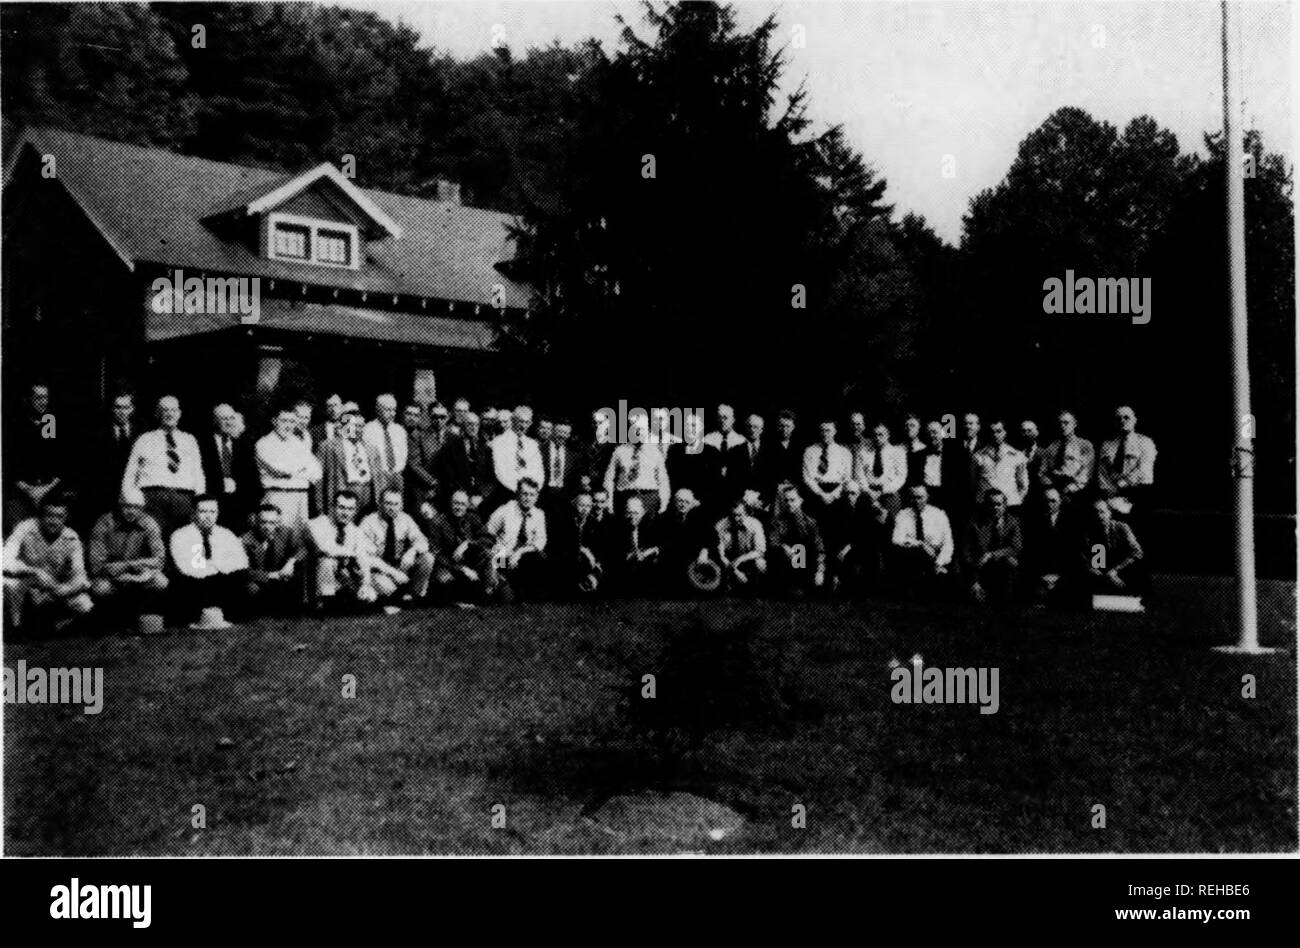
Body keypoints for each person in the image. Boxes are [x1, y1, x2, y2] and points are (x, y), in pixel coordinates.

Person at [3, 495, 93, 633]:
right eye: (49, 515)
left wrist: (64, 590)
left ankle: (52, 626)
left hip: (54, 588)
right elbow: (4, 561)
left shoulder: (71, 537)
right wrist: (33, 571)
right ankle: (16, 628)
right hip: (26, 586)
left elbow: (80, 575)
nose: (54, 521)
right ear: (40, 516)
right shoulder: (25, 528)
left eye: (59, 516)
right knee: (8, 582)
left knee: (85, 605)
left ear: (66, 517)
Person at [121, 395, 206, 538]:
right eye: (164, 410)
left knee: (182, 539)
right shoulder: (144, 439)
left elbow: (198, 472)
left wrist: (201, 501)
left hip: (184, 498)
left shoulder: (189, 440)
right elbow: (130, 472)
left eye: (173, 410)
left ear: (179, 414)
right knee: (154, 539)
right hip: (152, 498)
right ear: (157, 414)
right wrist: (129, 500)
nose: (169, 413)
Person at [87, 485, 168, 632]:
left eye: (136, 507)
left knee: (161, 581)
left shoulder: (149, 524)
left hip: (139, 575)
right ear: (119, 506)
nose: (131, 511)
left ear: (142, 508)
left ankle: (139, 617)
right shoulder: (104, 523)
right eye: (127, 506)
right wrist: (121, 571)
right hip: (111, 578)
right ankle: (111, 621)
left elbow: (160, 559)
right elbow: (96, 566)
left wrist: (128, 565)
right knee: (100, 589)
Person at [169, 495, 249, 626]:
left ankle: (224, 615)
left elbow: (241, 562)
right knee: (186, 581)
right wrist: (218, 565)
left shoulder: (226, 534)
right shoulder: (181, 535)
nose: (208, 516)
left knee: (239, 577)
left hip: (220, 581)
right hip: (195, 583)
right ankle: (196, 617)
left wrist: (212, 565)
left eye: (212, 512)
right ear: (194, 513)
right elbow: (187, 568)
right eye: (203, 511)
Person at [4, 383, 65, 533]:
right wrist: (29, 490)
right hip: (21, 492)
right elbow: (8, 464)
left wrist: (44, 490)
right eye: (38, 397)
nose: (43, 401)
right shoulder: (14, 425)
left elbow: (61, 463)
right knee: (18, 534)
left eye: (45, 397)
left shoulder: (50, 423)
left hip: (49, 491)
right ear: (27, 399)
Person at [257, 406, 323, 536]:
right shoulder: (263, 443)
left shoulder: (299, 443)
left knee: (299, 540)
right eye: (284, 421)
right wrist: (302, 469)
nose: (288, 425)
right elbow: (280, 470)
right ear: (274, 421)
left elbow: (317, 472)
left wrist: (293, 471)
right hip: (278, 496)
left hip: (301, 498)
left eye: (292, 422)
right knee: (277, 538)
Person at [360, 489, 434, 604]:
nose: (392, 507)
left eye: (396, 504)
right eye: (388, 503)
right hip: (380, 570)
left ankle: (415, 597)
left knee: (427, 558)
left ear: (401, 505)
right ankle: (398, 598)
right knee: (389, 589)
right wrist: (394, 573)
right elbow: (368, 558)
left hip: (401, 566)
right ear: (380, 503)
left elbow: (423, 542)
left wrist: (412, 551)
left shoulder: (405, 519)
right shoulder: (368, 522)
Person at [307, 491, 379, 608]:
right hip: (319, 579)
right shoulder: (317, 523)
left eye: (350, 509)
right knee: (327, 561)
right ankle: (325, 602)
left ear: (355, 511)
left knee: (370, 597)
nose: (346, 513)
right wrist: (354, 554)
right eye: (341, 507)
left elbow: (363, 557)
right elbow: (326, 548)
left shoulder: (355, 531)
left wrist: (366, 583)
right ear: (333, 507)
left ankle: (345, 600)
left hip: (344, 576)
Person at [485, 478, 548, 601]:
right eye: (524, 494)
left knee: (540, 557)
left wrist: (520, 552)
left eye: (531, 495)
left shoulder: (539, 514)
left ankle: (529, 592)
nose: (528, 498)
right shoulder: (504, 511)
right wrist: (494, 563)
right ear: (518, 494)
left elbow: (541, 541)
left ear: (536, 496)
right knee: (505, 599)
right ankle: (499, 583)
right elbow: (488, 535)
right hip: (502, 556)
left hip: (523, 558)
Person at [318, 403, 388, 514]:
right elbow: (319, 481)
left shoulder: (372, 449)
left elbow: (380, 480)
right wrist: (320, 509)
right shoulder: (328, 447)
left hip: (367, 496)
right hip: (342, 496)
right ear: (345, 426)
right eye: (355, 425)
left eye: (361, 426)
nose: (359, 429)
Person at [889, 484, 955, 599]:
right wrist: (920, 545)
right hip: (912, 558)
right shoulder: (903, 515)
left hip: (935, 557)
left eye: (920, 497)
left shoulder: (939, 515)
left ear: (927, 497)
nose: (916, 501)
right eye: (913, 497)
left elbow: (948, 544)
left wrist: (938, 564)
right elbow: (896, 539)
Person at [425, 489, 491, 603]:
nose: (459, 507)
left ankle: (492, 590)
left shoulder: (472, 518)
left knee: (498, 553)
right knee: (444, 581)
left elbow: (488, 539)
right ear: (450, 503)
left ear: (467, 506)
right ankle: (456, 601)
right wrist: (461, 569)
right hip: (448, 566)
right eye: (456, 503)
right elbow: (436, 553)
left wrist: (468, 543)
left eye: (462, 504)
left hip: (471, 563)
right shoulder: (438, 522)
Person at [241, 501, 306, 615]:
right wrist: (271, 576)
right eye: (263, 522)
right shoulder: (246, 540)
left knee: (300, 571)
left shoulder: (286, 533)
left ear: (278, 523)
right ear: (256, 522)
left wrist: (291, 562)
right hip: (261, 582)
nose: (268, 527)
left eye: (272, 523)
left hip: (282, 580)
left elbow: (302, 549)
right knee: (250, 589)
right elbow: (243, 571)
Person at [200, 403, 258, 528]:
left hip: (239, 507)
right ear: (215, 421)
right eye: (224, 418)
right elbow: (199, 475)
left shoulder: (244, 446)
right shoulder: (202, 444)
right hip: (211, 504)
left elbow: (253, 479)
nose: (229, 422)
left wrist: (253, 510)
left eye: (231, 418)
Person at [1097, 405, 1157, 523]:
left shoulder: (1145, 443)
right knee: (1100, 512)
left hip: (1138, 493)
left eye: (1126, 417)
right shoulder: (1107, 446)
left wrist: (1121, 485)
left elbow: (1144, 472)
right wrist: (1109, 492)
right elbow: (1102, 474)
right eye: (1118, 418)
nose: (1122, 421)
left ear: (1135, 420)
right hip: (1112, 493)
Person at [961, 489, 1023, 604]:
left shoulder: (1013, 522)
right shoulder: (975, 524)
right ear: (985, 505)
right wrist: (974, 581)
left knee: (1011, 562)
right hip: (981, 568)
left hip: (1004, 568)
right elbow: (966, 553)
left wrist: (991, 555)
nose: (995, 508)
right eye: (991, 504)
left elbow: (1016, 547)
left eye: (998, 504)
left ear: (1005, 506)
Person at [604, 412, 670, 518]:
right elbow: (609, 478)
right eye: (635, 429)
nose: (638, 432)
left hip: (649, 497)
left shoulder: (655, 452)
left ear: (648, 430)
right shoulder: (619, 451)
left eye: (642, 429)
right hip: (625, 496)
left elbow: (663, 480)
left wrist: (664, 503)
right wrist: (609, 502)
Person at [802, 419, 852, 550]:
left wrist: (834, 495)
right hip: (816, 492)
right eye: (822, 430)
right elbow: (807, 477)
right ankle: (806, 565)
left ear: (835, 431)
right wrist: (821, 494)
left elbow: (847, 478)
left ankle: (835, 566)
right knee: (812, 530)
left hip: (837, 493)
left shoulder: (844, 452)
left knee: (836, 530)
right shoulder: (810, 451)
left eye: (828, 430)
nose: (825, 433)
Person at [768, 481, 825, 596]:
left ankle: (801, 585)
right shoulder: (777, 521)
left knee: (800, 549)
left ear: (800, 500)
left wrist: (820, 571)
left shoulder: (810, 522)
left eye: (793, 500)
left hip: (806, 563)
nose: (789, 504)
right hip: (785, 562)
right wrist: (784, 547)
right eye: (786, 500)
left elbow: (820, 549)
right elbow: (773, 541)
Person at [1081, 498, 1148, 596]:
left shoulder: (1122, 528)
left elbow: (1137, 552)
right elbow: (1097, 562)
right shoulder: (1092, 533)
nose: (1100, 516)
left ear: (1109, 513)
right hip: (1105, 575)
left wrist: (1116, 570)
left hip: (1124, 571)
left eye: (1102, 512)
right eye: (1096, 513)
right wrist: (1096, 571)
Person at [1022, 487, 1078, 605]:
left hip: (1064, 573)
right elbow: (1031, 551)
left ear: (1060, 501)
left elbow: (1073, 552)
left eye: (1053, 501)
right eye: (1046, 501)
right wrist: (1042, 575)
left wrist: (1058, 576)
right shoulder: (1033, 522)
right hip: (1040, 573)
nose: (1049, 504)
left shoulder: (1072, 521)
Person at [655, 488, 712, 595]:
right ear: (674, 502)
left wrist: (704, 552)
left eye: (686, 502)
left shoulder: (700, 518)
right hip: (672, 557)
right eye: (680, 501)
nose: (683, 504)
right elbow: (663, 542)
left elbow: (711, 537)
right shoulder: (665, 519)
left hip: (696, 558)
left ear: (692, 503)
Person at [433, 410, 493, 512]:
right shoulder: (450, 447)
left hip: (480, 501)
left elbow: (491, 477)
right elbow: (448, 476)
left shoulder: (486, 448)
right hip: (456, 499)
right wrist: (463, 496)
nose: (473, 427)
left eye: (476, 424)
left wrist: (482, 496)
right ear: (463, 425)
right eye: (470, 424)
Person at [604, 495, 661, 596]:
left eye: (636, 513)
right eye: (629, 512)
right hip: (623, 569)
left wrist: (649, 551)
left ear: (643, 512)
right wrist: (630, 556)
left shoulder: (651, 526)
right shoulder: (616, 528)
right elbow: (611, 552)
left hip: (645, 568)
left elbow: (662, 545)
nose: (632, 516)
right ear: (624, 513)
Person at [489, 404, 545, 508]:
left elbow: (539, 472)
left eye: (527, 422)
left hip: (529, 498)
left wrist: (531, 493)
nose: (523, 426)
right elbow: (501, 472)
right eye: (520, 421)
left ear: (531, 423)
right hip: (506, 495)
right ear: (513, 420)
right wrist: (521, 491)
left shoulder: (532, 444)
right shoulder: (499, 442)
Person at [972, 419, 1030, 509]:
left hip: (1011, 506)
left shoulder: (1017, 456)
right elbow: (973, 482)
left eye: (999, 431)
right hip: (985, 506)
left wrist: (1016, 500)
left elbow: (1023, 484)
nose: (995, 435)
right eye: (992, 432)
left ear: (1005, 433)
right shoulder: (978, 456)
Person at [856, 421, 908, 520]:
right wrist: (868, 492)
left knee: (892, 524)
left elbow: (901, 477)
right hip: (868, 493)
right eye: (875, 435)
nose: (877, 438)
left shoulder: (898, 452)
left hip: (889, 492)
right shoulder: (863, 452)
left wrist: (883, 491)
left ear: (888, 435)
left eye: (881, 435)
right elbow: (860, 475)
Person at [714, 498, 767, 593]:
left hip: (747, 561)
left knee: (760, 563)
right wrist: (734, 570)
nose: (736, 519)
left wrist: (740, 559)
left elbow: (760, 551)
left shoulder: (755, 524)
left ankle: (757, 590)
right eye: (733, 515)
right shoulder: (721, 526)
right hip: (728, 564)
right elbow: (721, 555)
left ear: (746, 514)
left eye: (739, 515)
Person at [1040, 411, 1095, 502]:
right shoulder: (1051, 447)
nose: (1062, 426)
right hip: (1053, 491)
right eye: (1060, 423)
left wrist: (1072, 488)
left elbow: (1087, 472)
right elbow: (1042, 471)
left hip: (1076, 492)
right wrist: (1049, 486)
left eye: (1066, 423)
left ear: (1074, 424)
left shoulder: (1084, 445)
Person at [406, 401, 449, 514]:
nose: (439, 420)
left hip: (449, 490)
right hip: (427, 490)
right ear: (429, 416)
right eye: (435, 417)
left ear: (448, 416)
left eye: (442, 417)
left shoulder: (454, 437)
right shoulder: (419, 436)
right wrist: (432, 482)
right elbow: (414, 464)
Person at [942, 411, 982, 532]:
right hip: (957, 503)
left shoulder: (985, 447)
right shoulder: (951, 448)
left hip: (979, 503)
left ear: (978, 426)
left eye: (971, 423)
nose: (968, 426)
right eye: (965, 424)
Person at [363, 394, 409, 498]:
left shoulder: (400, 430)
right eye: (388, 410)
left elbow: (403, 455)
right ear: (378, 410)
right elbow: (368, 456)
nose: (392, 413)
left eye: (394, 410)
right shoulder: (368, 429)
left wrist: (396, 471)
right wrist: (382, 473)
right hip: (378, 476)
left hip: (397, 475)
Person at [702, 404, 749, 503]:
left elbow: (744, 471)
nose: (722, 421)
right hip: (711, 493)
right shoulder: (707, 440)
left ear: (733, 420)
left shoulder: (741, 441)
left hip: (735, 494)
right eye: (720, 418)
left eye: (725, 418)